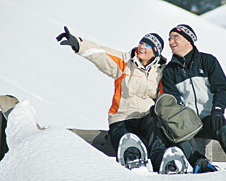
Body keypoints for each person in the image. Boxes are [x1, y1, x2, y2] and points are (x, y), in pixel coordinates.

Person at [56, 26, 167, 171]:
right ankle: (133, 163)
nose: (142, 47)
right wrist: (78, 44)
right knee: (125, 139)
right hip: (122, 118)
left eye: (148, 45)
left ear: (155, 52)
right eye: (142, 43)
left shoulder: (161, 72)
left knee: (157, 134)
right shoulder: (125, 62)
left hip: (146, 118)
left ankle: (165, 164)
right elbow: (101, 54)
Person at [160, 24, 226, 173]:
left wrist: (218, 111)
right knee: (176, 132)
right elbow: (172, 102)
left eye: (175, 37)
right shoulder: (169, 71)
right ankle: (200, 163)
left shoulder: (208, 61)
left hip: (209, 118)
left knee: (221, 127)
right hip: (187, 123)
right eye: (169, 38)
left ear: (189, 40)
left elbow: (221, 88)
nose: (170, 42)